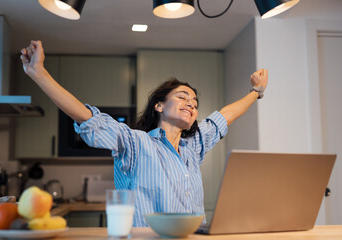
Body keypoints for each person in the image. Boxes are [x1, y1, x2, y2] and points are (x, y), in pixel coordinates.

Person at [21, 40, 268, 227]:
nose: (191, 104)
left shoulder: (194, 145)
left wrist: (256, 91)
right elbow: (87, 118)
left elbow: (226, 115)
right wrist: (38, 72)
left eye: (194, 102)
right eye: (182, 97)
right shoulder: (136, 143)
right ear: (159, 106)